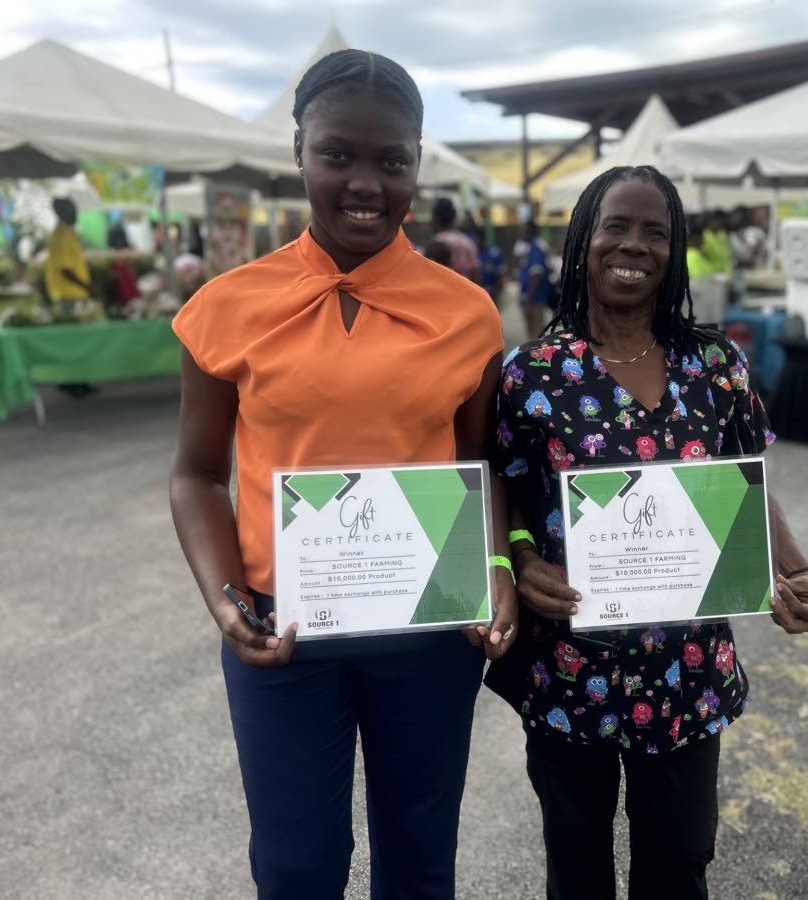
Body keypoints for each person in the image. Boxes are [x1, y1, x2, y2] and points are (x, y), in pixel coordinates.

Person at [168, 49, 516, 900]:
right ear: (298, 152)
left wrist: (499, 566)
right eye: (338, 155)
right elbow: (196, 475)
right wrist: (223, 598)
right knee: (296, 865)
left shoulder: (466, 313)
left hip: (430, 629)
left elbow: (479, 462)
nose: (367, 182)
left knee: (420, 854)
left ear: (418, 165)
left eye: (392, 161)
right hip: (281, 633)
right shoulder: (228, 306)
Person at [486, 165, 808, 900]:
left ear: (674, 253)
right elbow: (507, 485)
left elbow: (748, 484)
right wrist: (515, 556)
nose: (633, 245)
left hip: (688, 667)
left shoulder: (716, 365)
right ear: (583, 240)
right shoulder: (532, 372)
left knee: (678, 865)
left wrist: (794, 569)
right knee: (576, 868)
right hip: (571, 665)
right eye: (616, 225)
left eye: (655, 232)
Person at [45, 197, 91, 317]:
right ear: (63, 213)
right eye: (73, 211)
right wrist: (88, 287)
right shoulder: (61, 237)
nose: (76, 214)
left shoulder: (69, 234)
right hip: (69, 294)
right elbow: (66, 270)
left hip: (75, 293)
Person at [430, 196, 480, 281]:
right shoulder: (467, 242)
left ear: (436, 219)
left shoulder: (437, 243)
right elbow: (475, 274)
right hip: (466, 291)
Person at [517, 218, 552, 337]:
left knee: (536, 335)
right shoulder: (529, 248)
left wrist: (529, 299)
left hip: (534, 299)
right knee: (532, 334)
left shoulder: (536, 249)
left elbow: (536, 275)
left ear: (530, 231)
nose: (521, 233)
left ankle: (536, 356)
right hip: (530, 298)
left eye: (524, 230)